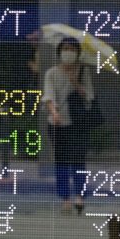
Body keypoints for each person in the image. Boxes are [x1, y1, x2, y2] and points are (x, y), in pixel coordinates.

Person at [42, 37, 95, 215]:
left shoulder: (83, 71)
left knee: (79, 160)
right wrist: (54, 112)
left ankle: (80, 195)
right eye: (65, 48)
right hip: (57, 123)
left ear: (78, 53)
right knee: (61, 161)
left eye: (72, 49)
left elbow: (89, 96)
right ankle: (65, 198)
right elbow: (48, 96)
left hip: (78, 123)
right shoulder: (51, 73)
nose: (68, 52)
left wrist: (75, 83)